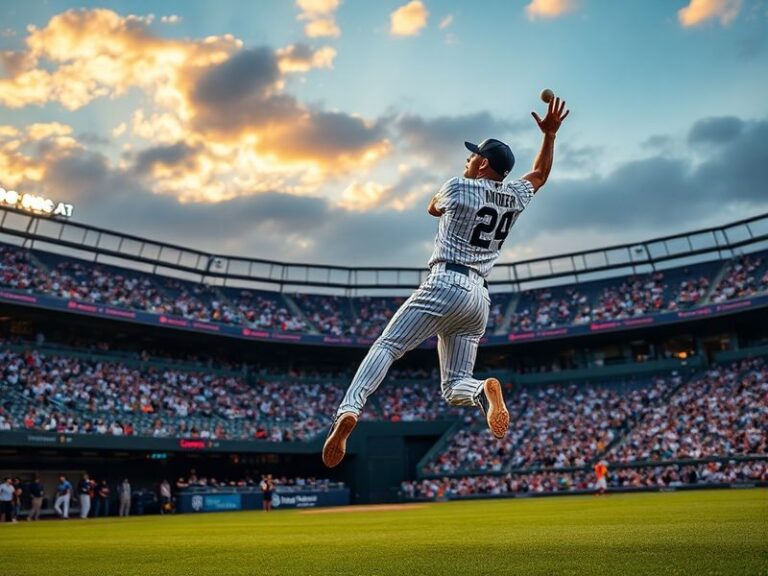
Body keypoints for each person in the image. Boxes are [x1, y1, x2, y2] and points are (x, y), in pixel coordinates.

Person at [323, 95, 570, 467]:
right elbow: (540, 175)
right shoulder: (515, 196)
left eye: (472, 156)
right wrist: (549, 136)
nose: (467, 160)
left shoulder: (457, 186)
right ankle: (483, 390)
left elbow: (431, 208)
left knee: (388, 346)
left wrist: (462, 183)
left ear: (483, 163)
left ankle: (349, 409)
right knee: (455, 388)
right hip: (478, 299)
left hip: (444, 281)